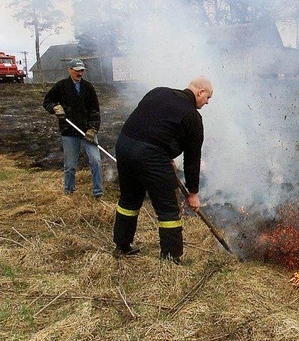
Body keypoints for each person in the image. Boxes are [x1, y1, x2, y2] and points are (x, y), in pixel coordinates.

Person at [113, 76, 213, 263]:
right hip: (148, 155)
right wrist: (193, 193)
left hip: (124, 145)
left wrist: (164, 155)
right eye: (207, 97)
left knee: (129, 200)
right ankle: (171, 257)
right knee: (168, 209)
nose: (207, 102)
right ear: (200, 92)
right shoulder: (192, 116)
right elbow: (192, 159)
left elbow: (152, 125)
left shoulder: (158, 91)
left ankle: (122, 245)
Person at [43, 58, 103, 198]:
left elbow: (95, 110)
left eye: (82, 70)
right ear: (69, 70)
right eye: (77, 71)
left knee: (96, 161)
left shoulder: (88, 88)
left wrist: (92, 129)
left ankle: (98, 192)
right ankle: (68, 192)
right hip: (69, 131)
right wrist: (55, 108)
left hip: (87, 130)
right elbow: (47, 101)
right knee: (70, 165)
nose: (80, 73)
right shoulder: (61, 86)